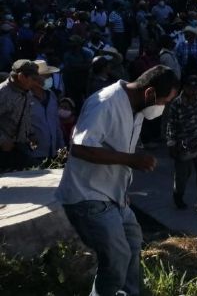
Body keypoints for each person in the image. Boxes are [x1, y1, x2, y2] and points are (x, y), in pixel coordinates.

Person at [56, 65, 179, 296]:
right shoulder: (105, 102)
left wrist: (122, 187)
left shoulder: (138, 108)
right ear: (150, 93)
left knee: (133, 244)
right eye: (163, 101)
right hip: (88, 196)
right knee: (117, 257)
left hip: (114, 197)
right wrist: (132, 160)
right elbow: (81, 148)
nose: (163, 107)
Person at [166, 74, 197, 215]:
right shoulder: (177, 104)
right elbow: (171, 125)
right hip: (184, 146)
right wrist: (171, 144)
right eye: (192, 88)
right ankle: (178, 197)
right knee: (182, 176)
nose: (195, 91)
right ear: (185, 87)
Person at [0, 60, 40, 171]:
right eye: (33, 79)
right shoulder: (3, 94)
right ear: (21, 77)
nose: (35, 83)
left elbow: (25, 115)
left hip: (20, 147)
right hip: (4, 151)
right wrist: (2, 140)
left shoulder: (26, 92)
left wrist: (30, 134)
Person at [27, 60, 64, 167]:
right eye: (46, 77)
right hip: (33, 155)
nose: (49, 79)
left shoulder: (51, 95)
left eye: (49, 76)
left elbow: (56, 124)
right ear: (34, 79)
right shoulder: (24, 98)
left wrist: (61, 150)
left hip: (53, 153)